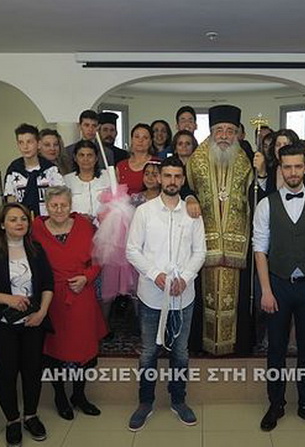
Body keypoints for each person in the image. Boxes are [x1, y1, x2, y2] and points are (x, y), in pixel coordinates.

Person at [254, 144, 305, 433]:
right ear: (280, 169)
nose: (292, 172)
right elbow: (260, 250)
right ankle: (275, 403)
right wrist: (266, 291)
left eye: (297, 166)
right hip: (277, 285)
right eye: (287, 167)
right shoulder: (266, 204)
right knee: (275, 349)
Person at [126, 156, 206, 431]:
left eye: (177, 176)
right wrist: (155, 274)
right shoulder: (144, 212)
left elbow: (200, 251)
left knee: (180, 351)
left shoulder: (192, 213)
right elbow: (132, 250)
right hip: (152, 293)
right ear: (159, 178)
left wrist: (186, 277)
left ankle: (178, 400)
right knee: (149, 351)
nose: (172, 181)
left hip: (183, 295)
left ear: (182, 180)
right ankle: (145, 401)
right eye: (167, 176)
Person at [0, 202, 54, 446]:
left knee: (32, 371)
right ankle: (12, 420)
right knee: (6, 372)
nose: (19, 223)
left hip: (32, 321)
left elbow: (48, 285)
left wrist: (42, 312)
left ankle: (31, 415)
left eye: (23, 219)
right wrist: (8, 299)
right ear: (2, 224)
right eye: (13, 219)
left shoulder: (36, 250)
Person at [32, 186, 107, 421]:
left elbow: (98, 259)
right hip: (51, 298)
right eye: (54, 205)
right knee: (54, 350)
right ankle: (60, 396)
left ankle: (79, 395)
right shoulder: (35, 229)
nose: (59, 210)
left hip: (81, 296)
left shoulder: (85, 226)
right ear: (46, 206)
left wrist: (87, 277)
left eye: (63, 205)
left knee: (84, 349)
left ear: (70, 205)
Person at [186, 104, 253, 355]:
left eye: (230, 130)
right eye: (219, 130)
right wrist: (189, 197)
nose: (224, 136)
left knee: (236, 297)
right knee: (204, 295)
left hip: (237, 241)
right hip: (205, 240)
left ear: (237, 133)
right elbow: (186, 189)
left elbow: (253, 198)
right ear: (211, 131)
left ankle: (235, 344)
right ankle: (201, 342)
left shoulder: (246, 161)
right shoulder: (196, 159)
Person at [4, 123, 65, 216]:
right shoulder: (13, 170)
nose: (25, 147)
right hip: (23, 220)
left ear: (39, 144)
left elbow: (61, 198)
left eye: (29, 142)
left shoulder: (51, 170)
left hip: (47, 220)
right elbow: (10, 203)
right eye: (21, 142)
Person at [257, 129, 305, 197]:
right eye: (278, 145)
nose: (281, 148)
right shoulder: (270, 170)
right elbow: (259, 199)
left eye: (286, 144)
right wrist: (262, 174)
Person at [64, 140, 111, 221]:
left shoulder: (108, 176)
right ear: (75, 158)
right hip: (78, 225)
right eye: (81, 155)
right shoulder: (66, 180)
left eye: (90, 155)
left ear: (96, 158)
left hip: (105, 224)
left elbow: (117, 203)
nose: (85, 159)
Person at [116, 123, 156, 195]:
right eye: (137, 137)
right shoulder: (121, 166)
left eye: (145, 137)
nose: (140, 140)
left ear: (150, 142)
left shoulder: (157, 163)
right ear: (132, 140)